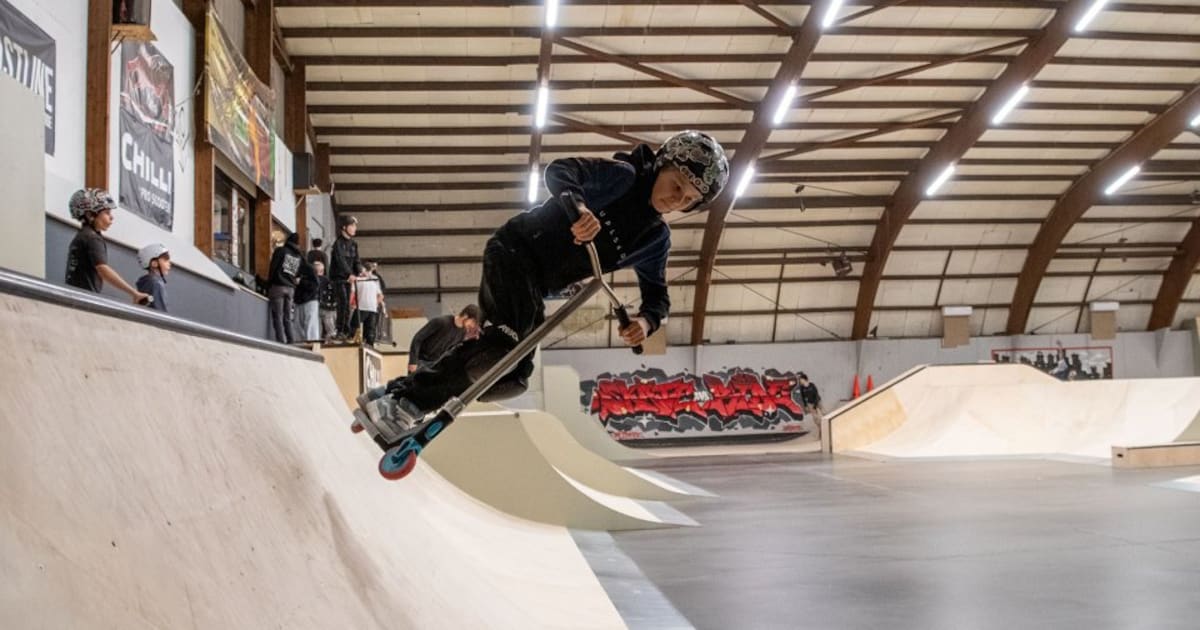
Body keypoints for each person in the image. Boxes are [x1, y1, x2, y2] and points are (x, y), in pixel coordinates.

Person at [360, 130, 729, 431]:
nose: (675, 199)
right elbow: (561, 170)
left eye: (687, 199)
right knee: (502, 349)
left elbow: (657, 299)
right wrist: (579, 208)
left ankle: (391, 396)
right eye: (675, 184)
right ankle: (406, 404)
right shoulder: (624, 178)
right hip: (515, 251)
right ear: (662, 165)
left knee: (511, 375)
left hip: (535, 286)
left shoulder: (655, 240)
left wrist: (645, 323)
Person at [64, 188, 150, 305]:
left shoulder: (82, 236)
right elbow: (103, 270)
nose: (111, 217)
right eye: (107, 213)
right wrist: (134, 293)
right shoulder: (92, 238)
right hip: (84, 300)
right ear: (90, 215)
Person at [407, 305, 483, 373]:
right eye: (473, 321)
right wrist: (413, 361)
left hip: (434, 365)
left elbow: (451, 349)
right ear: (466, 316)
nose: (473, 325)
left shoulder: (462, 333)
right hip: (420, 361)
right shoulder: (441, 322)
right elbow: (418, 338)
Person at [267, 232, 304, 344]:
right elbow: (298, 273)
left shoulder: (280, 251)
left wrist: (268, 284)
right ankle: (291, 341)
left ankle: (281, 342)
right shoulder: (298, 256)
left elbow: (273, 268)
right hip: (290, 289)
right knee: (287, 317)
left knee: (278, 316)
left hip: (278, 287)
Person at [329, 216, 362, 339]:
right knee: (342, 303)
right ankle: (340, 330)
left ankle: (346, 331)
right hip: (339, 278)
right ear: (344, 227)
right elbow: (340, 261)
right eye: (352, 225)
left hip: (349, 279)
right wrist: (350, 274)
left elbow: (356, 260)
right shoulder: (338, 244)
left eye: (355, 226)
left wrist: (360, 271)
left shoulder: (354, 244)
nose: (355, 228)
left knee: (347, 304)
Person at [353, 262, 384, 347]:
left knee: (359, 327)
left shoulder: (371, 280)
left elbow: (380, 295)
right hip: (367, 307)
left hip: (366, 307)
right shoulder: (368, 280)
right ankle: (365, 344)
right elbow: (381, 295)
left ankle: (364, 344)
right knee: (364, 328)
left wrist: (376, 304)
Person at [135, 243, 171, 313]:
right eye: (166, 259)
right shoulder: (156, 284)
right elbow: (161, 313)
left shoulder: (145, 283)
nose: (169, 263)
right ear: (154, 263)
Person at [294, 251, 321, 342]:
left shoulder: (309, 269)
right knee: (303, 326)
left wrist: (300, 282)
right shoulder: (302, 268)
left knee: (308, 327)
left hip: (308, 300)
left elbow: (315, 285)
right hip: (303, 300)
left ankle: (310, 346)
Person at [316, 261, 337, 341]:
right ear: (322, 271)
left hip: (316, 307)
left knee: (317, 331)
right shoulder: (328, 280)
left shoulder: (311, 279)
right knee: (330, 331)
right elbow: (334, 293)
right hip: (328, 308)